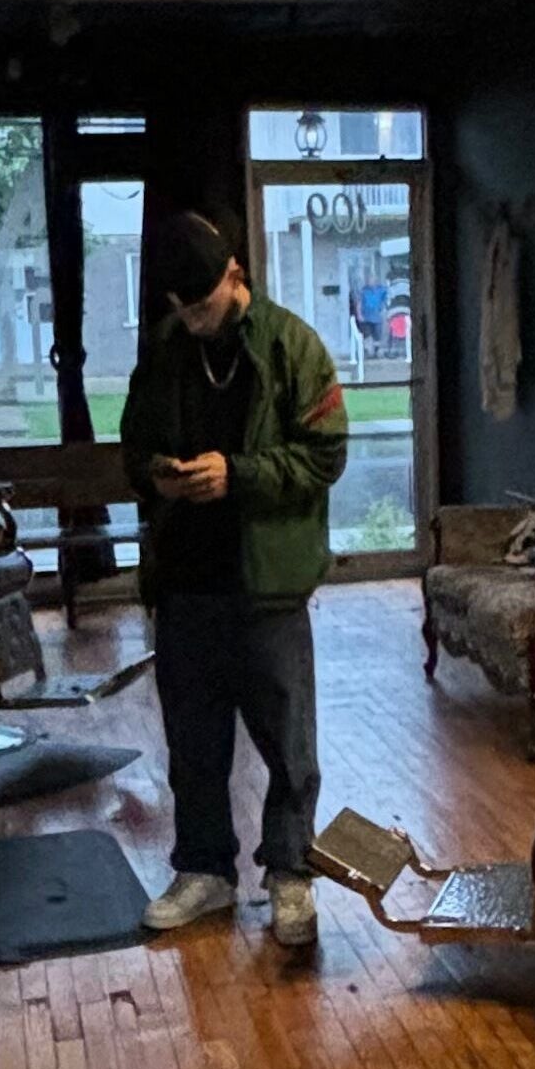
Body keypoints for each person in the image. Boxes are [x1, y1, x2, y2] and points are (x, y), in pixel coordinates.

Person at [120, 209, 349, 946]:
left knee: (287, 745)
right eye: (181, 308)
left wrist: (238, 475)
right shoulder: (166, 350)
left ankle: (290, 874)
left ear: (234, 275)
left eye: (203, 304)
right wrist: (157, 474)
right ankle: (205, 871)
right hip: (185, 580)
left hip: (269, 583)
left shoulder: (293, 347)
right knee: (193, 745)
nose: (193, 319)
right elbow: (133, 446)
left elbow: (325, 456)